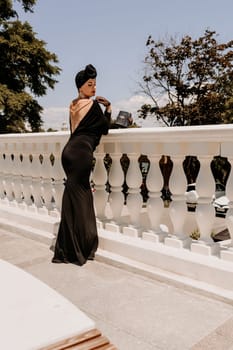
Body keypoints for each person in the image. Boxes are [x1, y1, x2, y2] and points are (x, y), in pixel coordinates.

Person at [52, 64, 111, 266]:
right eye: (90, 85)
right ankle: (81, 247)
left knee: (71, 199)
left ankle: (66, 247)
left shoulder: (72, 105)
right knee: (83, 199)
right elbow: (104, 128)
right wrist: (108, 109)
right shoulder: (93, 106)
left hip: (68, 153)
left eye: (95, 85)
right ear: (81, 87)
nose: (94, 89)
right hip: (81, 154)